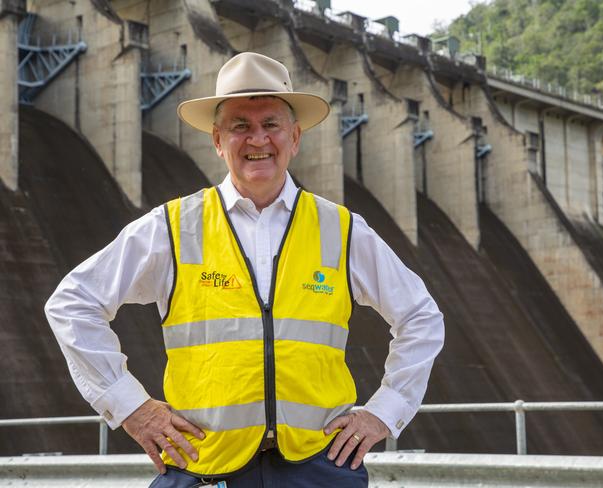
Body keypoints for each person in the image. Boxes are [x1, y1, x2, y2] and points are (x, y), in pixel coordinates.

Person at [44, 52, 444, 487]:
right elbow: (72, 304)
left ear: (295, 137)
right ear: (218, 140)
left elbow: (421, 317)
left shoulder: (342, 230)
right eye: (240, 126)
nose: (258, 139)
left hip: (318, 468)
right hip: (203, 465)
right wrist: (132, 409)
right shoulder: (172, 228)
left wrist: (385, 411)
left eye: (271, 124)